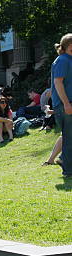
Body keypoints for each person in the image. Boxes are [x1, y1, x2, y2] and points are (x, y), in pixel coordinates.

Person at [50, 33, 72, 177]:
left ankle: (64, 160)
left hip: (67, 103)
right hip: (65, 104)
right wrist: (66, 104)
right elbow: (58, 83)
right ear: (66, 46)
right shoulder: (63, 60)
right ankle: (68, 170)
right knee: (69, 138)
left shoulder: (68, 59)